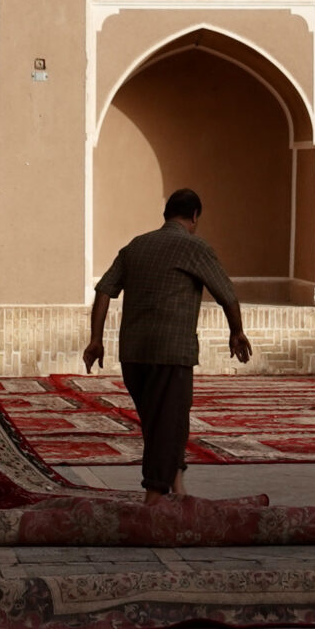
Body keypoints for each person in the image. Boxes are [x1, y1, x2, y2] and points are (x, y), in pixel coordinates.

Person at [83, 187, 252, 499]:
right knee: (167, 422)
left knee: (162, 420)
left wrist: (96, 341)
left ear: (166, 213)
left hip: (133, 354)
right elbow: (227, 294)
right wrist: (236, 332)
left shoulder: (137, 246)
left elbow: (104, 290)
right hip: (171, 352)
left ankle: (175, 484)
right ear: (195, 216)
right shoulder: (194, 247)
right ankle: (155, 497)